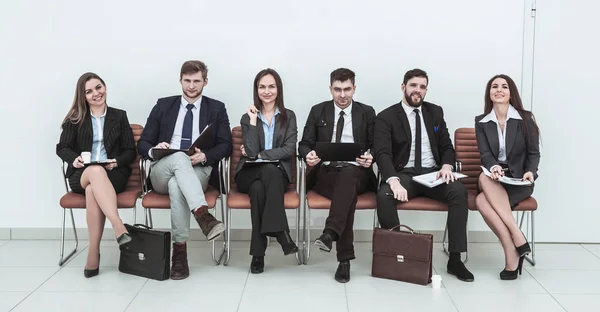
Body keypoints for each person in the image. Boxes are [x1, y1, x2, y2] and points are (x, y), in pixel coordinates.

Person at [374, 68, 474, 282]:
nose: (417, 91)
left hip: (433, 174)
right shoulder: (386, 117)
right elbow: (382, 153)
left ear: (426, 90)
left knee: (458, 191)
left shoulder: (435, 112)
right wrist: (393, 181)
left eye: (422, 87)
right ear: (403, 87)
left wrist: (447, 166)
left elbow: (447, 146)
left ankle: (455, 259)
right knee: (384, 195)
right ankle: (398, 255)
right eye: (413, 85)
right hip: (404, 174)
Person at [137, 60, 232, 280]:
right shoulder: (163, 105)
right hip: (163, 168)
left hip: (197, 169)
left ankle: (179, 254)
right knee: (178, 157)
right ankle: (203, 215)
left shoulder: (216, 108)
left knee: (177, 186)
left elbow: (226, 144)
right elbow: (143, 143)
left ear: (205, 82)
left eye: (196, 81)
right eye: (187, 80)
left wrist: (205, 155)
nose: (191, 86)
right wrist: (154, 149)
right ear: (180, 80)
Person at [298, 68, 377, 283]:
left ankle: (332, 235)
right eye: (337, 90)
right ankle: (343, 257)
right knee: (346, 193)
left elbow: (377, 145)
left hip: (358, 173)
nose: (343, 95)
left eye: (347, 89)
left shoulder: (367, 112)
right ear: (330, 88)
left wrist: (371, 157)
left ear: (354, 88)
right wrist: (309, 155)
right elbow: (303, 144)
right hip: (326, 174)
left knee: (349, 176)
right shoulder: (318, 111)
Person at [56, 72, 135, 278]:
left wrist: (116, 161)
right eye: (89, 91)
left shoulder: (119, 116)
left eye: (98, 87)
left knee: (94, 188)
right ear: (83, 96)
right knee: (93, 173)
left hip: (112, 175)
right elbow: (61, 147)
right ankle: (118, 226)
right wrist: (74, 159)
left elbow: (130, 150)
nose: (96, 94)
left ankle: (93, 252)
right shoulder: (75, 118)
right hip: (81, 174)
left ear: (105, 87)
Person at [475, 74, 540, 280]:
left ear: (511, 93)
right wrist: (493, 166)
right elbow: (485, 154)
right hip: (494, 178)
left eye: (504, 86)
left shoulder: (525, 118)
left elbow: (533, 153)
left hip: (519, 181)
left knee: (480, 200)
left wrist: (531, 172)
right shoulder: (482, 121)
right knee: (485, 178)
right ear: (490, 94)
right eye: (494, 86)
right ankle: (515, 240)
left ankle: (513, 249)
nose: (499, 90)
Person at [235, 68, 299, 274]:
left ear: (278, 89)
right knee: (265, 174)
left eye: (271, 86)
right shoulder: (247, 118)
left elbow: (289, 150)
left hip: (277, 174)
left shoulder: (289, 116)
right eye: (262, 87)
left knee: (259, 190)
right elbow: (250, 154)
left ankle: (258, 255)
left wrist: (261, 154)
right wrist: (254, 122)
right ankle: (280, 232)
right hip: (248, 173)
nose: (267, 91)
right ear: (256, 90)